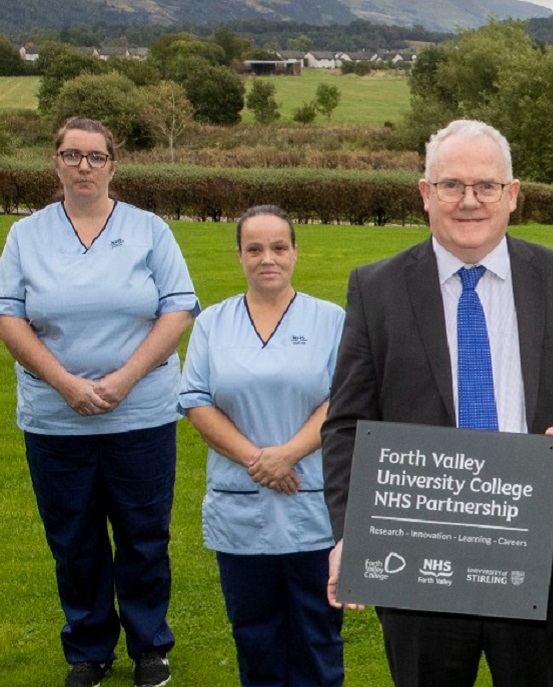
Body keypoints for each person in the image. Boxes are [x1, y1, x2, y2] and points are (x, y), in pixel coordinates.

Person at [321, 119, 553, 687]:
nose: (469, 201)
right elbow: (346, 425)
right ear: (424, 193)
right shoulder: (377, 288)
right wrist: (350, 534)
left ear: (512, 195)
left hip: (534, 549)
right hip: (418, 556)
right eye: (451, 185)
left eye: (486, 186)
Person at [0, 117, 197, 687]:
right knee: (74, 540)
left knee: (142, 535)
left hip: (141, 413)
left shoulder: (148, 230)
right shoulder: (26, 236)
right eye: (72, 155)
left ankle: (149, 647)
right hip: (54, 418)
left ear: (114, 163)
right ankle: (88, 650)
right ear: (54, 161)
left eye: (95, 156)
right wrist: (65, 383)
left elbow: (178, 308)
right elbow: (9, 317)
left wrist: (124, 380)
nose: (83, 166)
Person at [179, 206, 346, 687]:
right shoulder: (213, 323)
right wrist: (260, 460)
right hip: (242, 504)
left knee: (318, 636)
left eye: (278, 247)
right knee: (255, 635)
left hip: (312, 503)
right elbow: (195, 401)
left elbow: (344, 399)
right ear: (239, 255)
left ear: (295, 252)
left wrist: (288, 454)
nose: (267, 258)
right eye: (254, 249)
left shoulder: (331, 320)